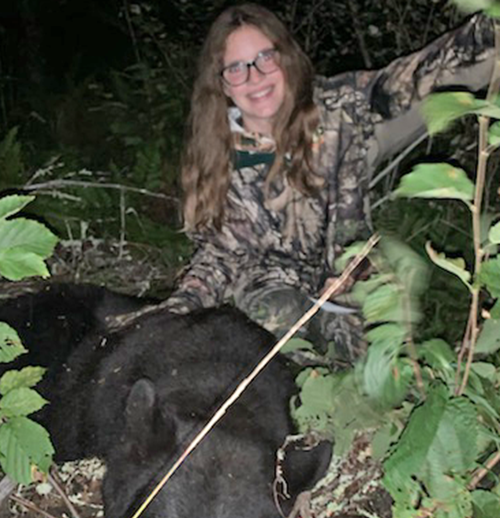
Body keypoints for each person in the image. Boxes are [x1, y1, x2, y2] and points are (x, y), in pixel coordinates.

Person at [163, 3, 494, 362]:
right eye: (237, 68)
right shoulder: (215, 151)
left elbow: (419, 74)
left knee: (380, 366)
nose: (255, 77)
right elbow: (219, 256)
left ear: (285, 57)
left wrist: (489, 25)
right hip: (272, 291)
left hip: (348, 276)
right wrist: (179, 308)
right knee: (276, 327)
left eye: (265, 58)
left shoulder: (338, 106)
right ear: (222, 82)